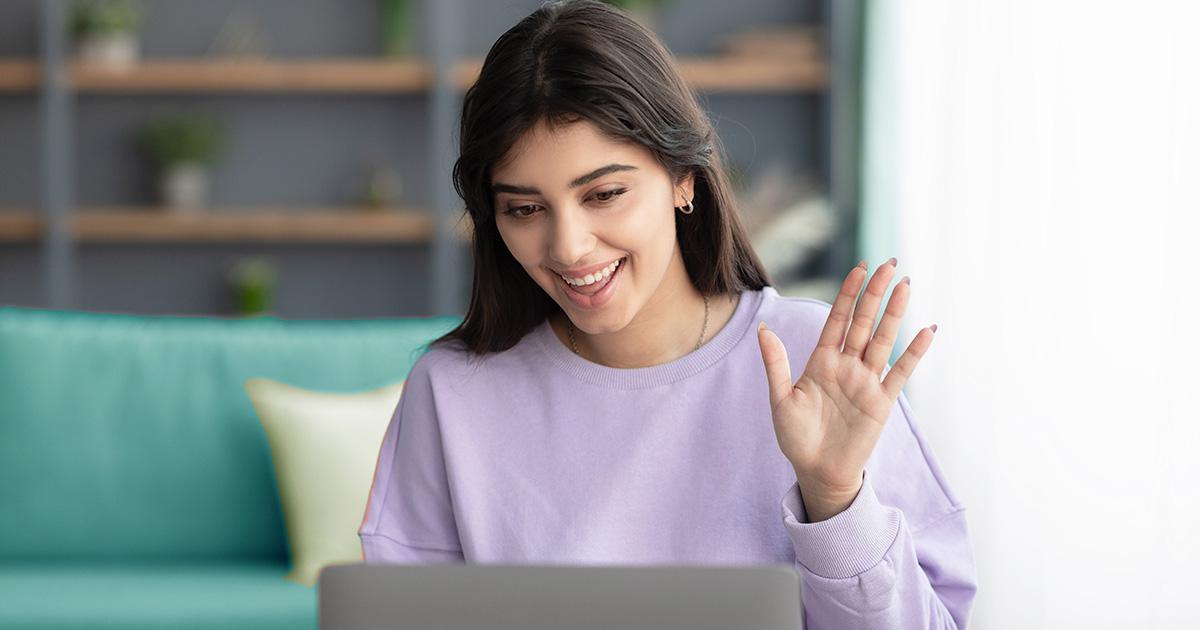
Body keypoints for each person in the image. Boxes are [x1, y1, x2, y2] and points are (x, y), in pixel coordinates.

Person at [358, 1, 978, 628]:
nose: (568, 246)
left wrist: (836, 499)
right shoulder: (452, 394)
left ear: (683, 178)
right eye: (524, 209)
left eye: (604, 194)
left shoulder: (818, 363)